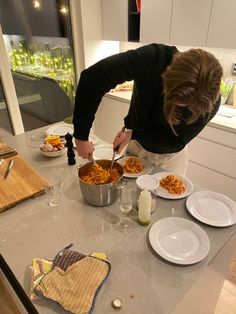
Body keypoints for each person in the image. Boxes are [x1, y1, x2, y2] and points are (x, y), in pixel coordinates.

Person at [73, 43, 223, 175]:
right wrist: (81, 136)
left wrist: (135, 134)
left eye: (185, 107)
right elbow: (93, 78)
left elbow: (175, 141)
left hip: (170, 158)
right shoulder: (154, 58)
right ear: (167, 76)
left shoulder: (209, 102)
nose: (176, 108)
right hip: (135, 146)